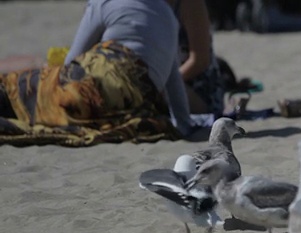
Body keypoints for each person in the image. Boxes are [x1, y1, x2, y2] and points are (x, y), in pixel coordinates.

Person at [0, 0, 192, 146]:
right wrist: (183, 125)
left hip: (94, 80)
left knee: (21, 85)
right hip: (130, 102)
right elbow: (174, 82)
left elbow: (72, 59)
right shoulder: (169, 16)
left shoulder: (105, 2)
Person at [173, 0, 225, 117]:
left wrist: (164, 84)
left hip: (199, 90)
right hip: (165, 82)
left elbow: (199, 61)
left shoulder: (190, 4)